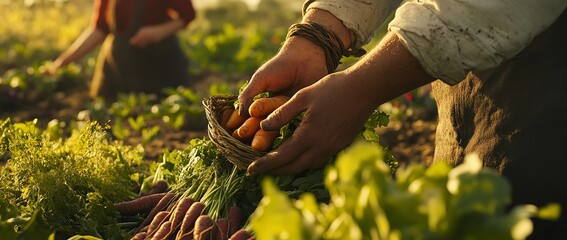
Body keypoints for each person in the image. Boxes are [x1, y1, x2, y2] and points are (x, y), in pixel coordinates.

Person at [237, 0, 567, 239]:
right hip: (462, 91)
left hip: (546, 95)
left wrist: (360, 88)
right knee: (461, 210)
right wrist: (318, 36)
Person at [48, 0, 196, 101]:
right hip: (119, 66)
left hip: (158, 66)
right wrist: (63, 62)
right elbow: (100, 28)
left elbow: (188, 15)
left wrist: (158, 32)